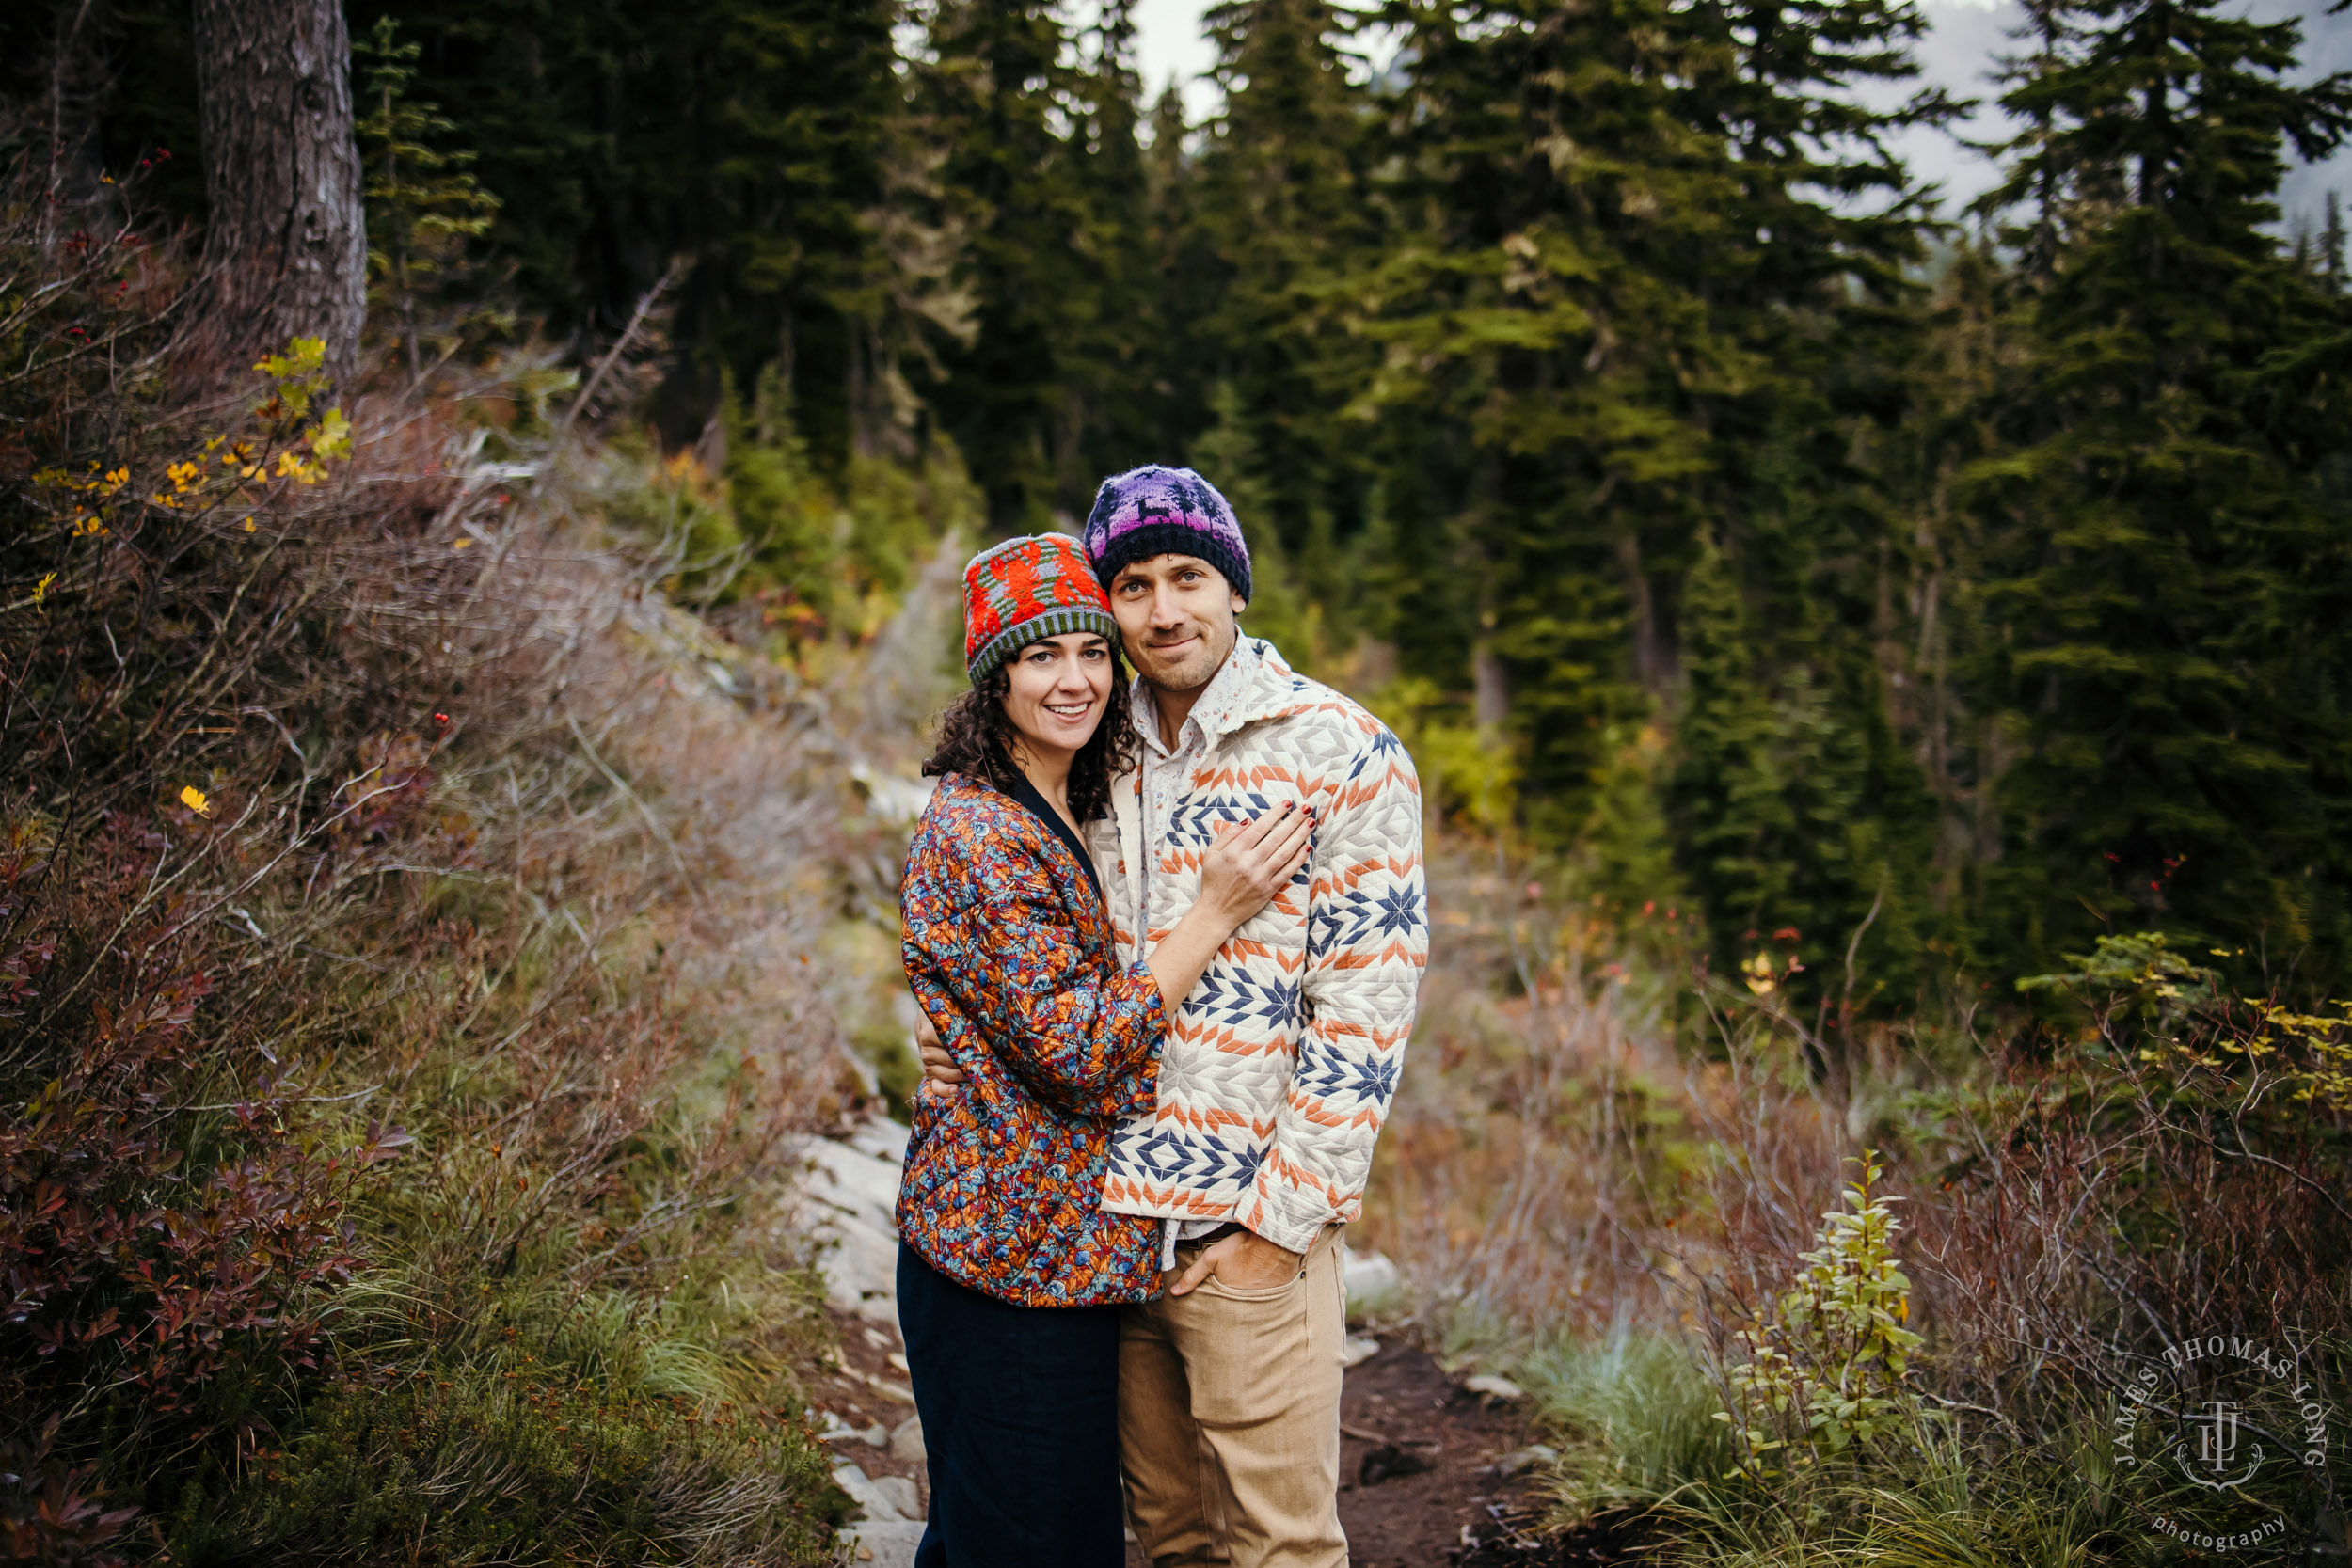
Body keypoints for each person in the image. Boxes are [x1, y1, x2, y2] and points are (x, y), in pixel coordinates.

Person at [923, 472, 1430, 1568]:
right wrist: (942, 1031)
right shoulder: (1093, 752)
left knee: (1280, 1544)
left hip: (1244, 1229)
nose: (1162, 610)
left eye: (1188, 576)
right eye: (1135, 584)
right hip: (1109, 1239)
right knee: (1168, 1539)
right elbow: (1029, 958)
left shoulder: (1340, 748)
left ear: (1234, 588)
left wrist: (1276, 1228)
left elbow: (1367, 1010)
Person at [896, 531, 1316, 1568]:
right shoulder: (984, 830)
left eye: (1093, 651)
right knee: (1029, 1543)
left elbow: (1008, 1000)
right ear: (994, 676)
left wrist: (955, 1036)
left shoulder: (1075, 801)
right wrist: (1214, 911)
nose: (1075, 678)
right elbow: (1080, 1050)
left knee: (997, 1536)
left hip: (1056, 1259)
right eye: (1042, 656)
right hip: (1001, 1265)